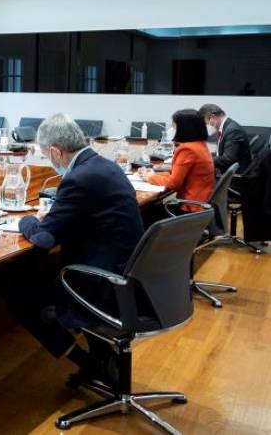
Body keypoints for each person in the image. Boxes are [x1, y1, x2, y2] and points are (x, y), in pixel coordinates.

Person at [11, 113, 144, 385]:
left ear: (55, 151)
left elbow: (44, 239)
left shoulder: (79, 178)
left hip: (102, 282)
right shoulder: (105, 166)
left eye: (47, 156)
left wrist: (25, 220)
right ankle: (104, 359)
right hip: (126, 272)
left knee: (20, 296)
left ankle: (93, 363)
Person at [139, 109, 214, 211]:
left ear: (184, 128)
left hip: (189, 208)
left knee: (144, 212)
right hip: (200, 203)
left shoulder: (187, 149)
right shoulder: (200, 144)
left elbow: (174, 183)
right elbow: (178, 176)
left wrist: (150, 178)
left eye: (174, 125)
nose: (171, 128)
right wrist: (154, 174)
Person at [199, 104, 251, 174]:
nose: (206, 126)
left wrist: (204, 160)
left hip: (233, 175)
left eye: (206, 123)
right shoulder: (226, 127)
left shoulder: (232, 130)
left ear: (212, 117)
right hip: (226, 170)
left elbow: (228, 159)